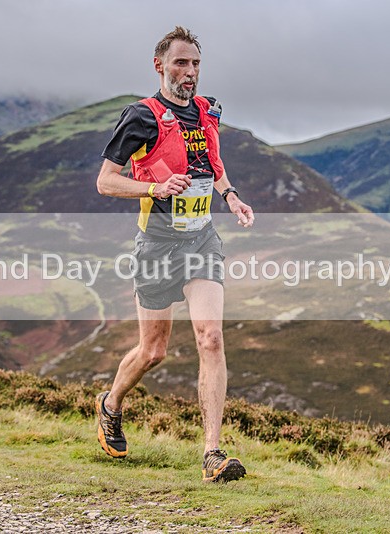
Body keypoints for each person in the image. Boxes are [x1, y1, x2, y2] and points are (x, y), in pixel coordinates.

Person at [95, 26, 254, 482]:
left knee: (211, 338)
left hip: (201, 239)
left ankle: (212, 454)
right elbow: (105, 180)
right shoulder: (142, 117)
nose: (189, 73)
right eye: (181, 63)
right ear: (159, 65)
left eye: (196, 64)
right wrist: (154, 187)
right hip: (157, 244)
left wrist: (231, 197)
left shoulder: (208, 111)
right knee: (153, 350)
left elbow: (213, 167)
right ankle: (111, 403)